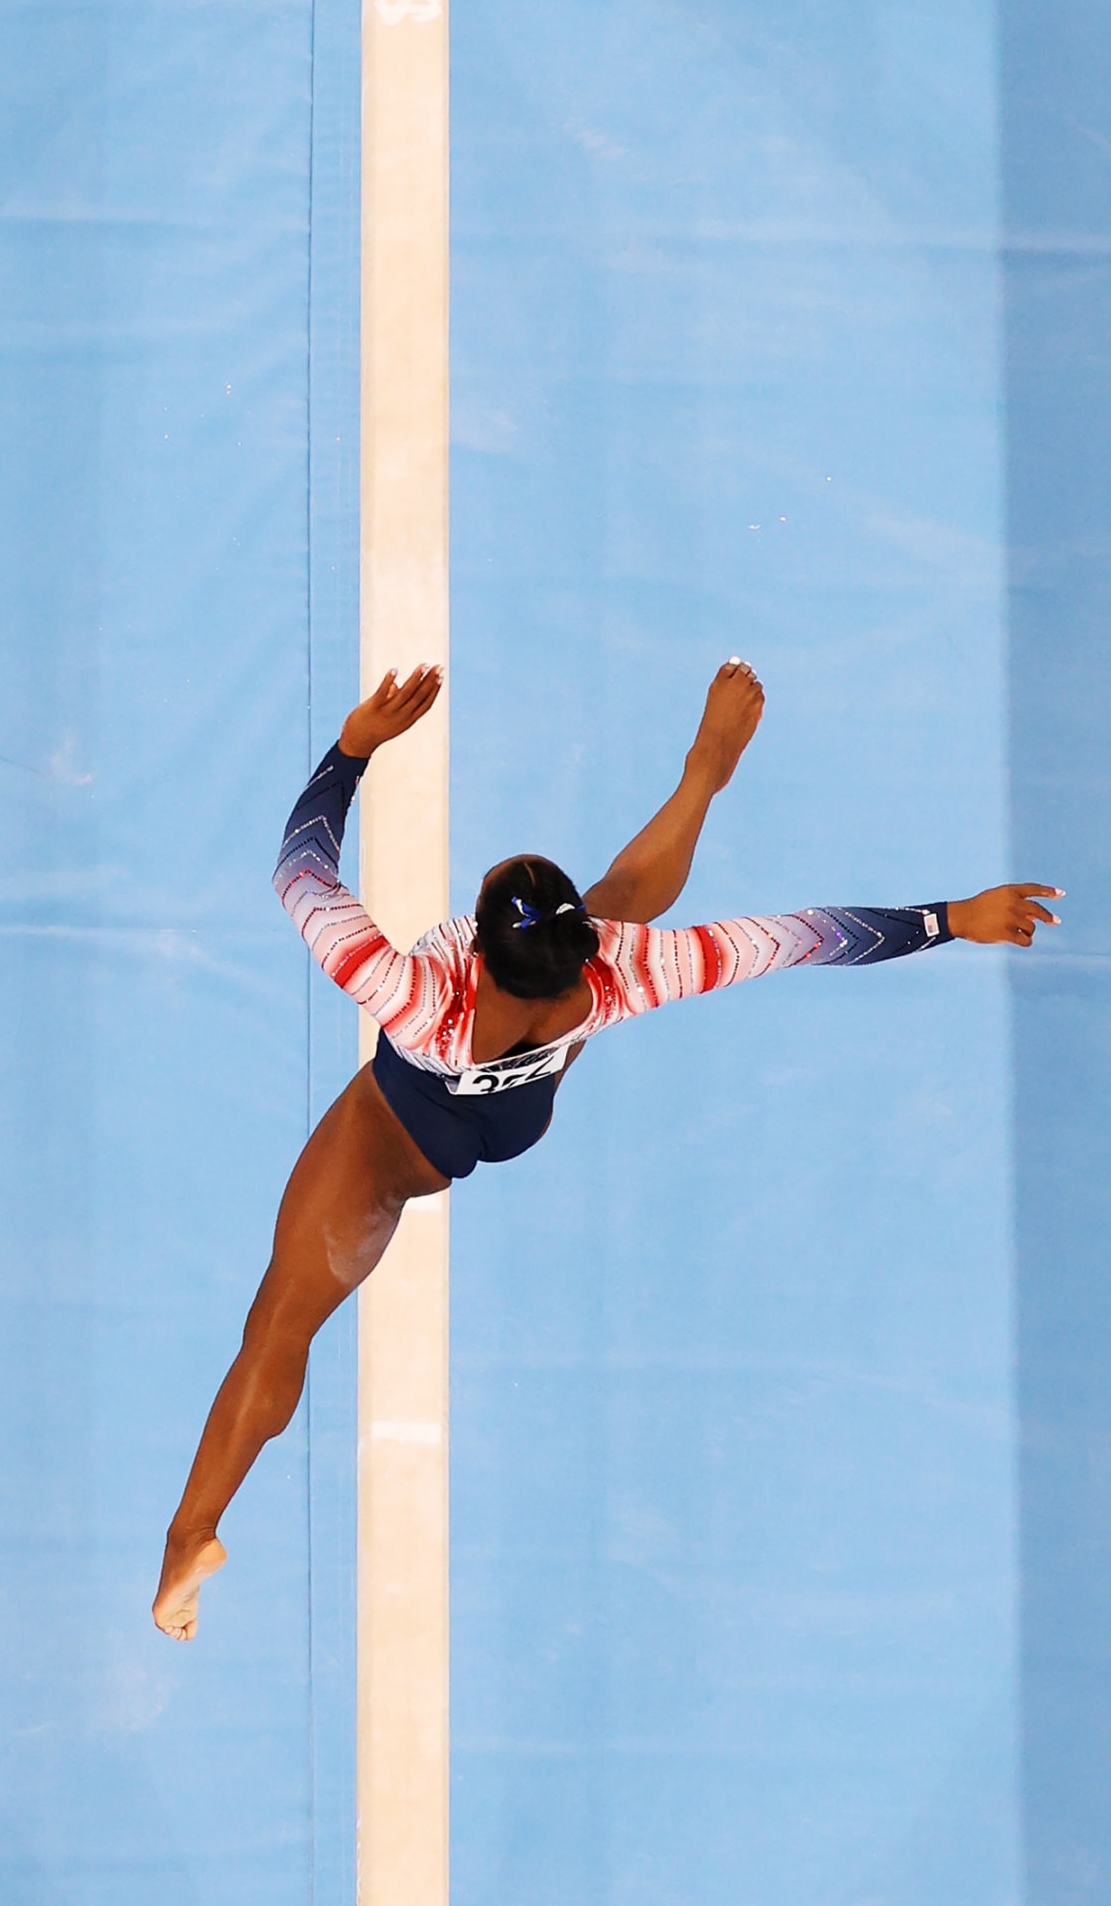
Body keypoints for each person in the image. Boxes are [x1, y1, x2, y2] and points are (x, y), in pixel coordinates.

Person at [153, 660, 1059, 1639]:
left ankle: (191, 1533)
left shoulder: (409, 989)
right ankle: (702, 772)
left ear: (480, 950)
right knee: (623, 895)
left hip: (401, 1136)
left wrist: (353, 750)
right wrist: (950, 920)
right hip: (521, 1109)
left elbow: (300, 864)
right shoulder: (626, 966)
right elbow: (809, 936)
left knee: (280, 1322)